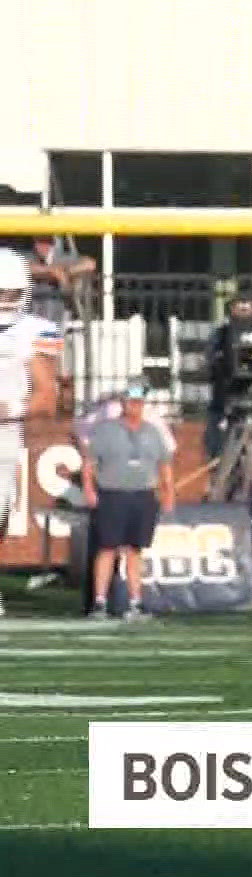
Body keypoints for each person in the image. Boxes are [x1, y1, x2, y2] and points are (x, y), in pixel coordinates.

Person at [0, 250, 61, 620]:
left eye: (8, 293)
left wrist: (8, 410)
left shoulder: (33, 331)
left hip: (4, 435)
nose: (1, 301)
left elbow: (47, 399)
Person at [83, 385, 174, 621]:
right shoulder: (105, 430)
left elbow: (164, 464)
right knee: (107, 548)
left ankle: (136, 602)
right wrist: (90, 490)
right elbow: (89, 463)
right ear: (123, 403)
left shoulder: (153, 432)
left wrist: (168, 492)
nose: (134, 406)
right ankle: (100, 602)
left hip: (143, 494)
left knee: (135, 550)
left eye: (139, 402)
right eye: (130, 401)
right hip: (113, 493)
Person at [204, 296, 252, 462]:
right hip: (224, 407)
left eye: (247, 306)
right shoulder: (220, 335)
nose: (243, 310)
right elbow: (209, 365)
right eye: (239, 306)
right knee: (221, 460)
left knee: (251, 461)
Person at [27, 235, 95, 328]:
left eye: (44, 242)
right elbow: (26, 267)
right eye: (37, 243)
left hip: (60, 310)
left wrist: (66, 272)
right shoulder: (31, 257)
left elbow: (90, 264)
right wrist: (51, 271)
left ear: (52, 243)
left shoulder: (64, 259)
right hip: (36, 311)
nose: (39, 247)